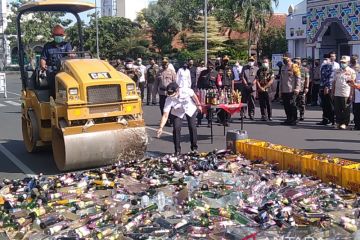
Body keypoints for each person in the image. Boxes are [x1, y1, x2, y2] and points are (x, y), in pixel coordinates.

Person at [157, 82, 202, 155]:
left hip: (189, 108)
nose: (172, 96)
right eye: (170, 95)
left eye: (173, 94)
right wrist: (161, 127)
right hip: (177, 111)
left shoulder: (185, 90)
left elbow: (194, 95)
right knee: (176, 128)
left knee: (192, 126)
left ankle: (194, 148)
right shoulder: (169, 99)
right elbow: (165, 115)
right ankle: (177, 150)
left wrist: (198, 105)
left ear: (177, 91)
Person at [40, 25, 73, 97]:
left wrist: (71, 55)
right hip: (52, 69)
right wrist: (43, 65)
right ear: (53, 36)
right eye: (57, 35)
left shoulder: (67, 45)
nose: (59, 36)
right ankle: (53, 98)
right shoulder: (48, 46)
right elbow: (43, 58)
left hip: (64, 69)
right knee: (54, 84)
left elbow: (70, 54)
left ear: (63, 36)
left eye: (60, 35)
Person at [332, 56, 356, 130]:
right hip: (337, 93)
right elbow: (334, 82)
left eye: (344, 62)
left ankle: (345, 123)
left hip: (346, 93)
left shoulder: (351, 71)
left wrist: (351, 94)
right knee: (337, 109)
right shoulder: (337, 71)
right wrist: (333, 92)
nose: (342, 63)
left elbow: (353, 84)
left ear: (348, 63)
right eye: (341, 62)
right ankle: (338, 122)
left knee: (346, 109)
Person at [153, 58, 177, 127]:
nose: (164, 65)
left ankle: (170, 119)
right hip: (162, 93)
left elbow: (175, 83)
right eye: (163, 63)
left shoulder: (172, 72)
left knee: (171, 107)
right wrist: (154, 94)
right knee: (162, 107)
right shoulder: (159, 72)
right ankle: (165, 120)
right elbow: (156, 84)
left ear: (168, 64)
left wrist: (175, 93)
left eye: (166, 63)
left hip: (170, 93)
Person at [280, 55, 301, 126]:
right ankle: (288, 118)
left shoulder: (294, 66)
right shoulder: (283, 67)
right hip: (284, 90)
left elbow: (298, 78)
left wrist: (297, 88)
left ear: (289, 58)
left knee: (292, 105)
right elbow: (281, 79)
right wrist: (280, 90)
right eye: (283, 59)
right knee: (286, 105)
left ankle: (294, 119)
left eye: (286, 59)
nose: (284, 60)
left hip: (292, 89)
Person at [197, 60, 218, 127]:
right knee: (201, 106)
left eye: (211, 67)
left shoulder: (216, 73)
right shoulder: (203, 72)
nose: (210, 68)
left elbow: (218, 83)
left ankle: (209, 122)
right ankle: (199, 121)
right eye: (209, 66)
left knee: (210, 107)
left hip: (211, 92)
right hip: (203, 91)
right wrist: (198, 91)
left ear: (213, 67)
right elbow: (199, 82)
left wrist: (218, 92)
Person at [255, 57, 274, 121]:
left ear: (268, 63)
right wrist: (260, 87)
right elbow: (257, 80)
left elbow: (271, 81)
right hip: (260, 89)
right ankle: (263, 115)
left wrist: (264, 87)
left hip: (268, 90)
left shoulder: (271, 71)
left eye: (266, 62)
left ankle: (270, 116)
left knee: (268, 103)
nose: (264, 63)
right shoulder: (259, 71)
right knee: (262, 103)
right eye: (263, 62)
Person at [317, 54, 335, 125]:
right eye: (324, 59)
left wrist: (327, 87)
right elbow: (322, 78)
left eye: (326, 59)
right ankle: (325, 120)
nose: (325, 60)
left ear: (329, 59)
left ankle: (332, 120)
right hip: (322, 87)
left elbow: (330, 78)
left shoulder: (330, 67)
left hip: (328, 88)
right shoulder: (323, 66)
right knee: (324, 105)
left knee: (329, 105)